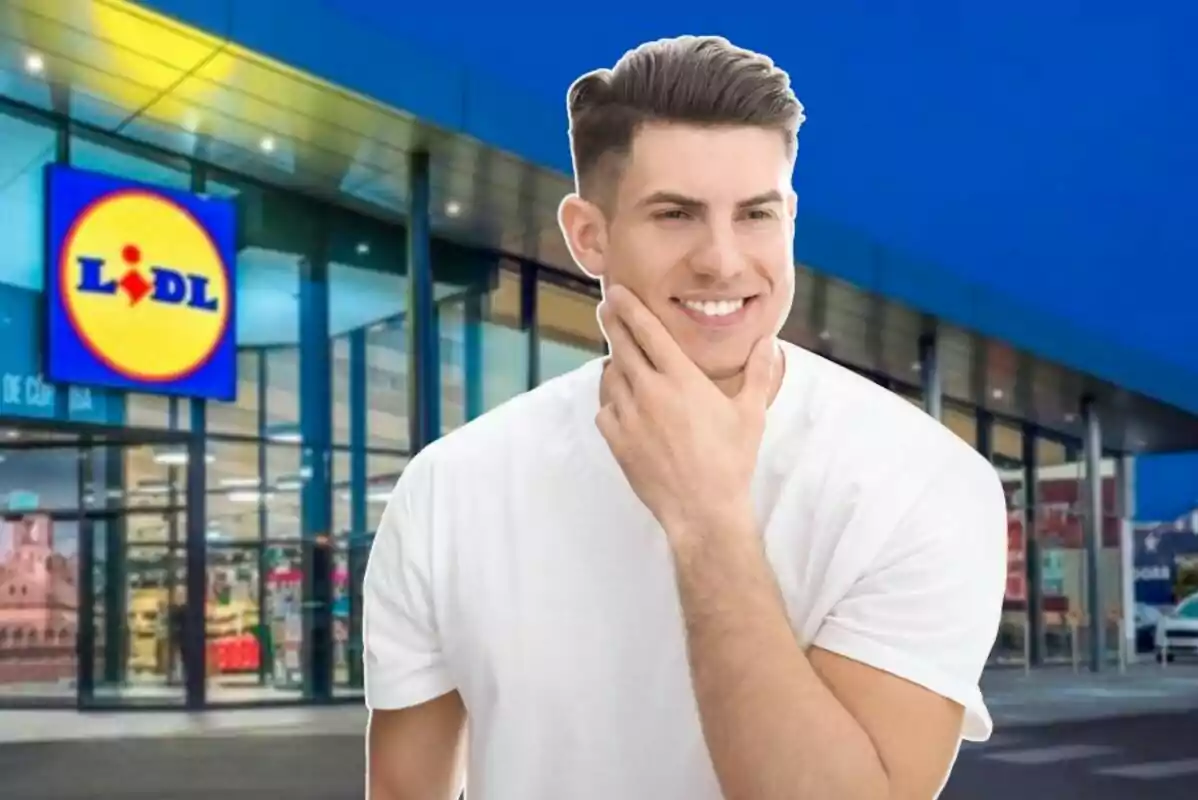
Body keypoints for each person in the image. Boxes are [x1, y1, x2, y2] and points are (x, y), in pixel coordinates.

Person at [363, 35, 1007, 800]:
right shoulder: (450, 486)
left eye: (756, 215)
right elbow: (407, 789)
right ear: (587, 235)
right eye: (676, 215)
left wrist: (708, 521)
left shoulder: (923, 484)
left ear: (791, 219)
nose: (723, 261)